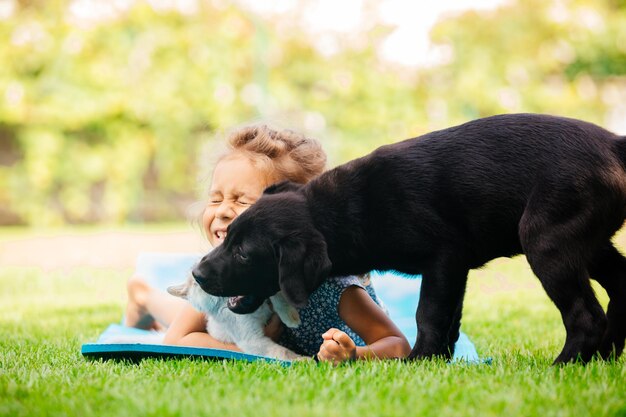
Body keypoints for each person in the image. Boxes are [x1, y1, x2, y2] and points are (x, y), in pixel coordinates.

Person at [125, 125, 410, 364]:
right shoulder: (229, 271)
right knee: (197, 318)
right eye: (215, 199)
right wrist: (262, 353)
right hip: (244, 333)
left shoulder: (335, 286)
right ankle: (142, 296)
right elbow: (178, 339)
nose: (222, 210)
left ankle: (142, 296)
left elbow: (397, 344)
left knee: (203, 323)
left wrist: (354, 355)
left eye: (241, 201)